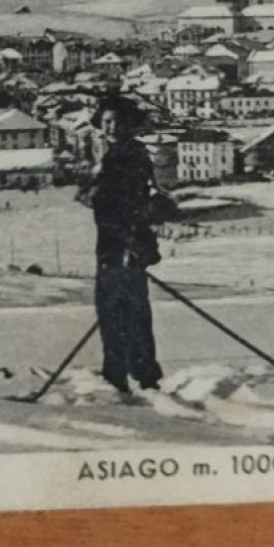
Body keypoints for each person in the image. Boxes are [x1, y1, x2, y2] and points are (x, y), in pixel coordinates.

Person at [76, 95, 167, 394]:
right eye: (105, 121)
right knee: (127, 311)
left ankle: (125, 376)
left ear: (128, 124)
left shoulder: (125, 156)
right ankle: (140, 373)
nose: (110, 127)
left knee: (119, 313)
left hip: (122, 244)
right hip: (119, 243)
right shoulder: (124, 154)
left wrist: (130, 244)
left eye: (116, 121)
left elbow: (127, 204)